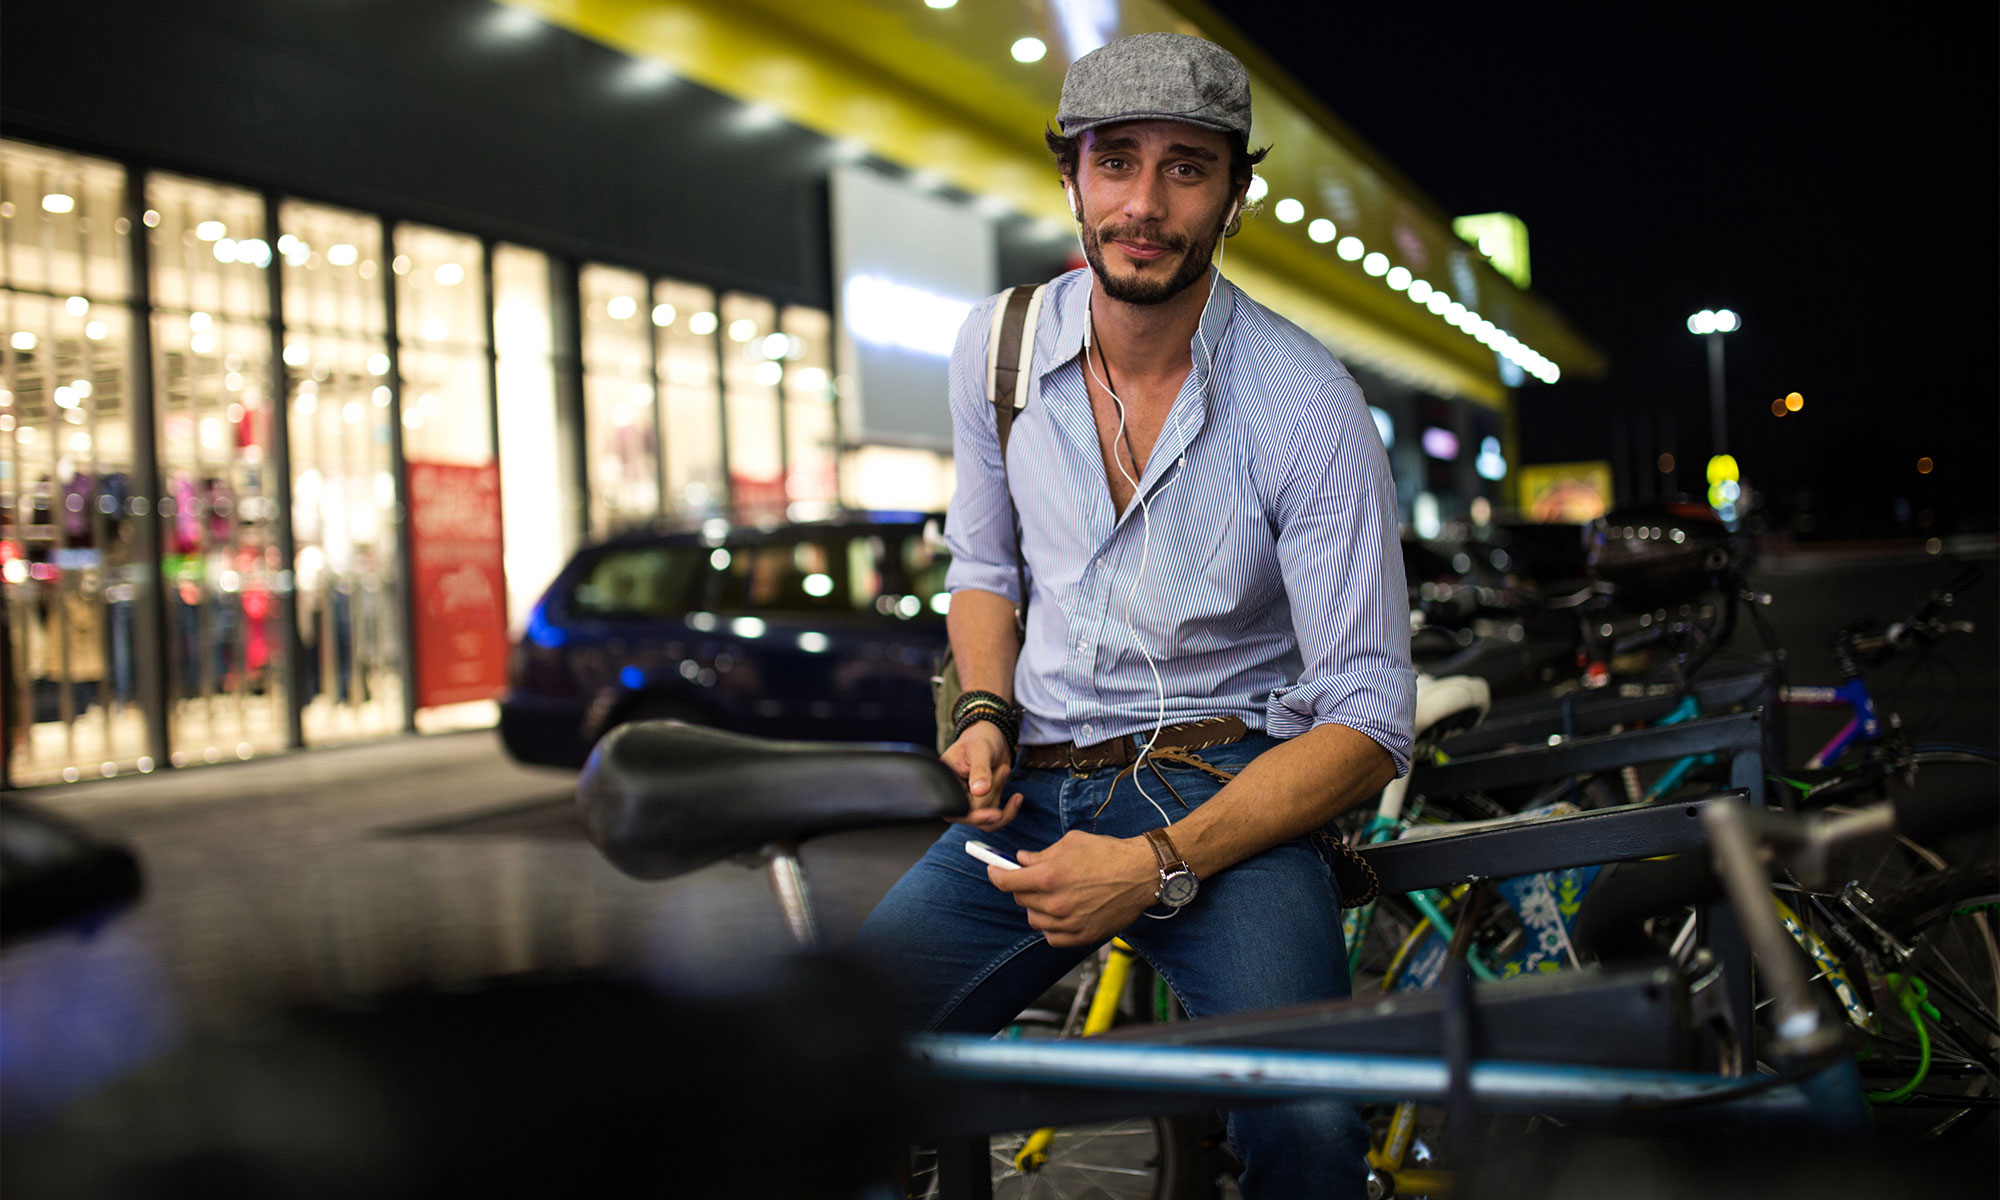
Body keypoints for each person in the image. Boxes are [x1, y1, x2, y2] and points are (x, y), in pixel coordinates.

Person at [852, 31, 1416, 1199]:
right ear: (1070, 176)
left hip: (1227, 799)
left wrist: (1155, 862)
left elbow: (1367, 720)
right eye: (1115, 161)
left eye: (1186, 167)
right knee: (818, 1075)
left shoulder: (1307, 408)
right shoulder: (996, 350)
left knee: (1307, 1128)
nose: (1144, 203)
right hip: (1037, 791)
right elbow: (985, 567)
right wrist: (983, 707)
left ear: (1234, 195)